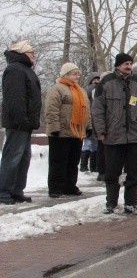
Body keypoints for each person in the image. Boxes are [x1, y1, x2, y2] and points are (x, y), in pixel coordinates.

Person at [92, 53, 137, 215]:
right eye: (125, 63)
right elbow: (97, 109)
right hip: (113, 135)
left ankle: (131, 203)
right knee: (112, 172)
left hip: (134, 135)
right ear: (118, 65)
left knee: (134, 172)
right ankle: (111, 202)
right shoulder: (106, 82)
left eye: (130, 63)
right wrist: (101, 130)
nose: (129, 66)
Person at [0, 40, 41, 205]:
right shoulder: (16, 70)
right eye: (31, 53)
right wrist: (22, 120)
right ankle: (4, 191)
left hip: (26, 123)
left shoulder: (24, 70)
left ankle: (16, 190)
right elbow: (15, 99)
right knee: (12, 157)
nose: (34, 56)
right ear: (23, 53)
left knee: (23, 158)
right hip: (18, 123)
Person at [45, 62, 91, 198]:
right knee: (59, 161)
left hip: (77, 132)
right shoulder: (57, 89)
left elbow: (86, 111)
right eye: (73, 73)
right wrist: (54, 127)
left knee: (73, 161)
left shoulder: (80, 90)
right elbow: (51, 109)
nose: (77, 76)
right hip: (61, 131)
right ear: (65, 74)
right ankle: (56, 188)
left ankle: (70, 185)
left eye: (78, 74)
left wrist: (88, 126)